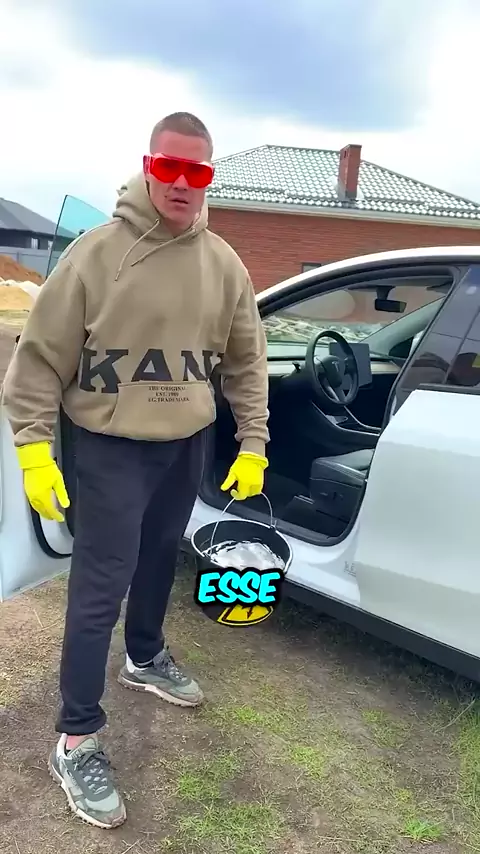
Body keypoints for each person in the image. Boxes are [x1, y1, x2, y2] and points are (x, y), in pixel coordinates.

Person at [2, 112, 269, 829]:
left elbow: (246, 362)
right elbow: (37, 363)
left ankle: (145, 657)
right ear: (149, 167)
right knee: (100, 588)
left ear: (209, 177)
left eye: (197, 171)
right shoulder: (94, 256)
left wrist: (253, 442)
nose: (182, 183)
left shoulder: (225, 265)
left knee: (159, 561)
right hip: (109, 447)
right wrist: (33, 450)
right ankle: (76, 738)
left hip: (186, 444)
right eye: (169, 168)